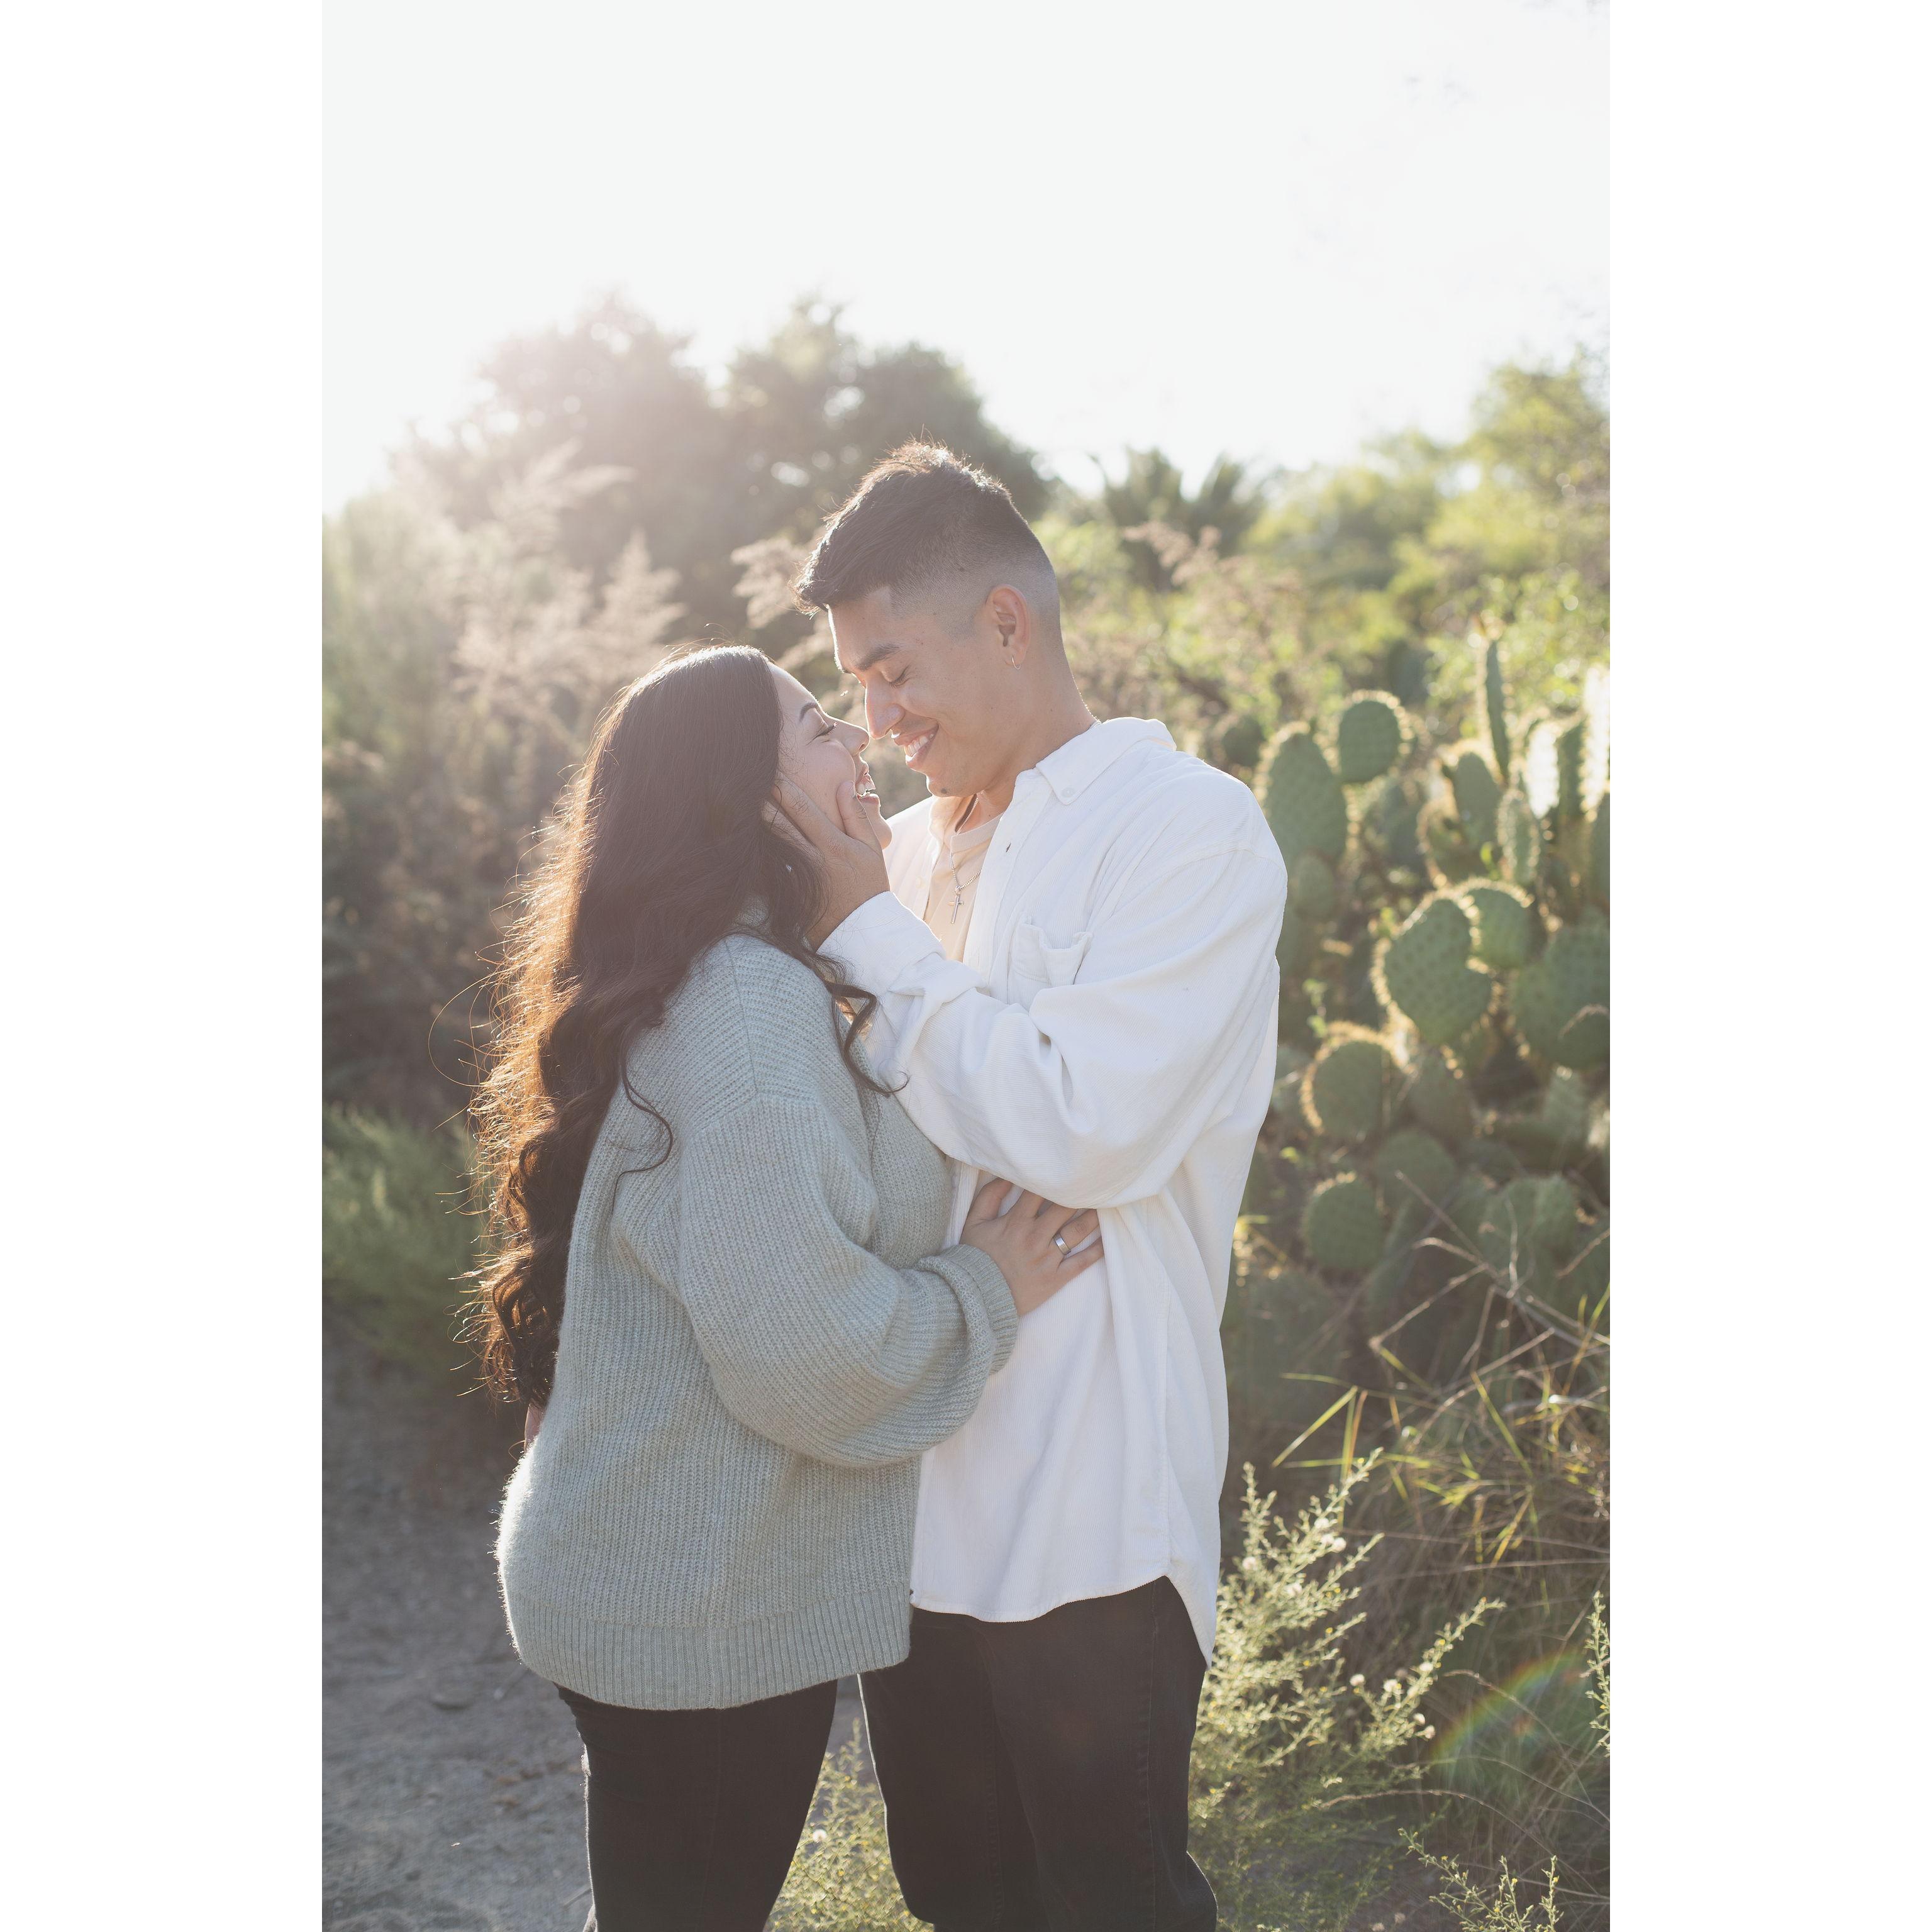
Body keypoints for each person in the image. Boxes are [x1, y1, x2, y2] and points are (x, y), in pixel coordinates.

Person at [470, 642, 1103, 1932]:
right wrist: (986, 1288)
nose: (858, 739)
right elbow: (799, 1347)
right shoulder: (752, 1005)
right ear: (747, 800)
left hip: (648, 1566)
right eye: (818, 727)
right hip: (693, 1597)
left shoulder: (714, 974)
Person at [777, 445, 1289, 1932]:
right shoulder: (894, 856)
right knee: (959, 1898)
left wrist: (868, 937)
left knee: (1113, 1903)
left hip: (1091, 1499)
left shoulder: (1186, 826)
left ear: (1007, 622)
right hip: (912, 1493)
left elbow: (1083, 1128)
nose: (878, 723)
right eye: (854, 690)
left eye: (893, 671)